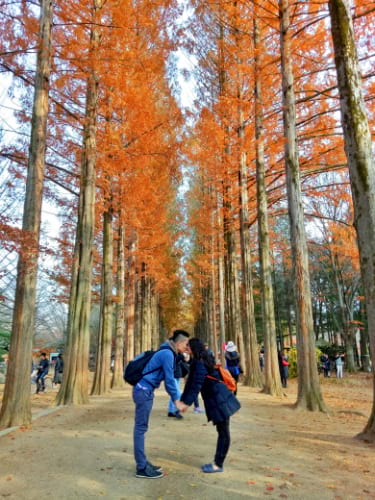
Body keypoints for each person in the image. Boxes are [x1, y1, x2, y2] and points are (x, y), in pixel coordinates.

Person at [132, 329, 189, 479]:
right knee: (140, 429)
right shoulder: (167, 354)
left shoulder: (168, 352)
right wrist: (177, 400)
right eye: (186, 344)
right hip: (143, 391)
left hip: (145, 390)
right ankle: (141, 467)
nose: (187, 348)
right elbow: (170, 380)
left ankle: (143, 462)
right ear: (180, 343)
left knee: (141, 428)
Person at [179, 338, 241, 473]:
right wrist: (183, 401)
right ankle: (217, 462)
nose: (186, 348)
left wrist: (186, 404)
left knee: (223, 431)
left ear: (194, 348)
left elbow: (196, 385)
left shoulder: (200, 363)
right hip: (216, 398)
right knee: (222, 431)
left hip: (219, 399)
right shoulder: (197, 361)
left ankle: (218, 464)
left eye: (188, 346)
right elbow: (190, 383)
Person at [167, 352, 189, 419]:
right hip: (173, 375)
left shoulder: (179, 353)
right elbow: (175, 359)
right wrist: (183, 355)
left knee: (174, 393)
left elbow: (184, 361)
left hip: (177, 375)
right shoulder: (172, 353)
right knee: (177, 393)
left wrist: (185, 357)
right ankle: (176, 410)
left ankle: (171, 411)